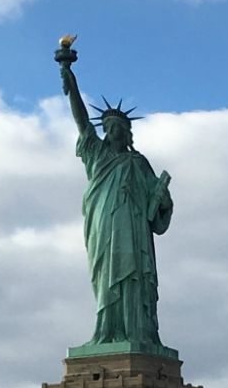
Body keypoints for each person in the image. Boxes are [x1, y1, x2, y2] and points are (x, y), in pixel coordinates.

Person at [58, 57, 173, 352]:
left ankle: (138, 332)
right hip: (103, 226)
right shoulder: (97, 155)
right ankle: (106, 331)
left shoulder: (138, 162)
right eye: (107, 127)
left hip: (133, 232)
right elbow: (82, 121)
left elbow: (157, 207)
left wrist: (162, 200)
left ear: (127, 132)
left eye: (117, 127)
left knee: (135, 277)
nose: (111, 132)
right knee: (106, 276)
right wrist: (71, 84)